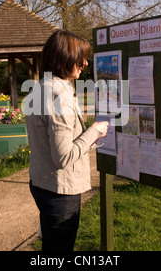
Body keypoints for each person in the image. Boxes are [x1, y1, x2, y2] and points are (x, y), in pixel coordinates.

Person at [24, 30, 109, 251]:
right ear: (66, 58)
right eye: (81, 57)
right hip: (60, 190)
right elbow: (63, 157)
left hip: (41, 182)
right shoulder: (59, 95)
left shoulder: (39, 88)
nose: (86, 63)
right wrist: (95, 131)